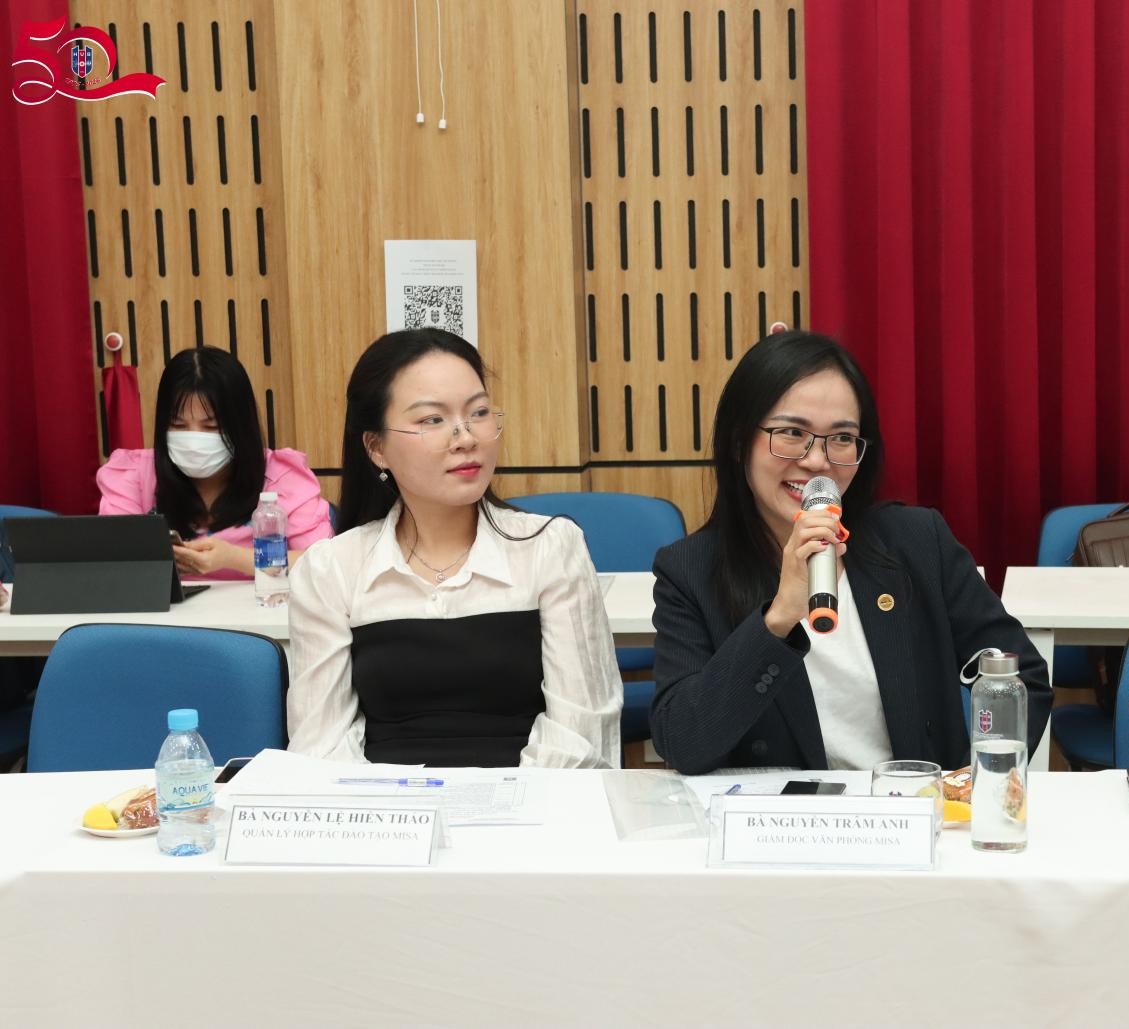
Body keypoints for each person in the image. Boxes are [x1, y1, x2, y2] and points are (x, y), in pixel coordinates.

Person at [649, 330, 1051, 775]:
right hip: (784, 815)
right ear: (739, 440)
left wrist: (980, 783)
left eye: (841, 437)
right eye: (792, 432)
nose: (817, 461)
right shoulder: (690, 570)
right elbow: (683, 742)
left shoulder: (917, 541)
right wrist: (777, 620)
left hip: (912, 808)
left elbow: (1022, 678)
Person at [285, 328, 620, 767]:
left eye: (478, 412)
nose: (465, 438)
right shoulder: (331, 570)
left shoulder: (550, 547)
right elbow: (319, 748)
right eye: (432, 420)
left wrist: (511, 805)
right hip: (386, 805)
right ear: (376, 447)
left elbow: (582, 735)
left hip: (531, 802)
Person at [96, 347, 332, 579]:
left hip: (260, 605)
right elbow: (112, 562)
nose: (193, 441)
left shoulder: (283, 476)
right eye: (178, 426)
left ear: (240, 427)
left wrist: (233, 558)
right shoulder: (132, 474)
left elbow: (323, 562)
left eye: (211, 427)